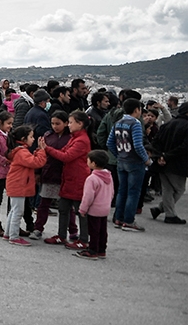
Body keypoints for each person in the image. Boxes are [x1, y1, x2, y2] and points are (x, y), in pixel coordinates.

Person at [42, 111, 93, 249]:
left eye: (71, 122)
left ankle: (84, 239)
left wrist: (47, 149)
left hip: (78, 177)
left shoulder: (82, 140)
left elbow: (66, 156)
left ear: (80, 124)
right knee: (63, 208)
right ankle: (61, 235)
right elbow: (64, 151)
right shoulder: (74, 137)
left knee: (80, 210)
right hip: (69, 177)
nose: (69, 125)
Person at [107, 98, 152, 231]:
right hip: (134, 162)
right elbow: (138, 145)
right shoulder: (136, 123)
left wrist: (118, 155)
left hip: (122, 160)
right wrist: (146, 160)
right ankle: (128, 221)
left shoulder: (118, 122)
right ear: (137, 110)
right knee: (133, 192)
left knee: (122, 190)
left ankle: (118, 218)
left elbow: (110, 143)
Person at [29, 110, 70, 240]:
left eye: (58, 123)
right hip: (48, 173)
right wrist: (37, 172)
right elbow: (40, 153)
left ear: (66, 123)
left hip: (64, 176)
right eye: (52, 123)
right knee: (43, 204)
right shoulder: (48, 136)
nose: (55, 126)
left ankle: (70, 231)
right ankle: (38, 228)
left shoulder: (71, 138)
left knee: (66, 207)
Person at [4, 125, 47, 246]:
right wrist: (42, 150)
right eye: (31, 137)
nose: (33, 139)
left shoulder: (19, 151)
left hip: (16, 184)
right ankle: (13, 236)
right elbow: (36, 162)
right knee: (18, 211)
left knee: (14, 210)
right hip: (19, 185)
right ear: (23, 138)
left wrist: (38, 150)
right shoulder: (22, 151)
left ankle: (8, 233)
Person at [151, 102, 188, 224]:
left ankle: (165, 211)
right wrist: (166, 156)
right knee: (179, 189)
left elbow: (155, 142)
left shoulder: (167, 125)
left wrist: (160, 156)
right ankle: (167, 212)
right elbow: (184, 147)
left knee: (167, 189)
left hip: (161, 162)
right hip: (178, 163)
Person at [76, 150, 114, 259]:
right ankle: (102, 250)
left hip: (94, 209)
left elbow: (88, 197)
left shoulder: (92, 178)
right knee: (102, 230)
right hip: (105, 207)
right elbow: (112, 192)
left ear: (93, 163)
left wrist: (82, 210)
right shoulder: (108, 176)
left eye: (88, 160)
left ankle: (92, 250)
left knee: (94, 231)